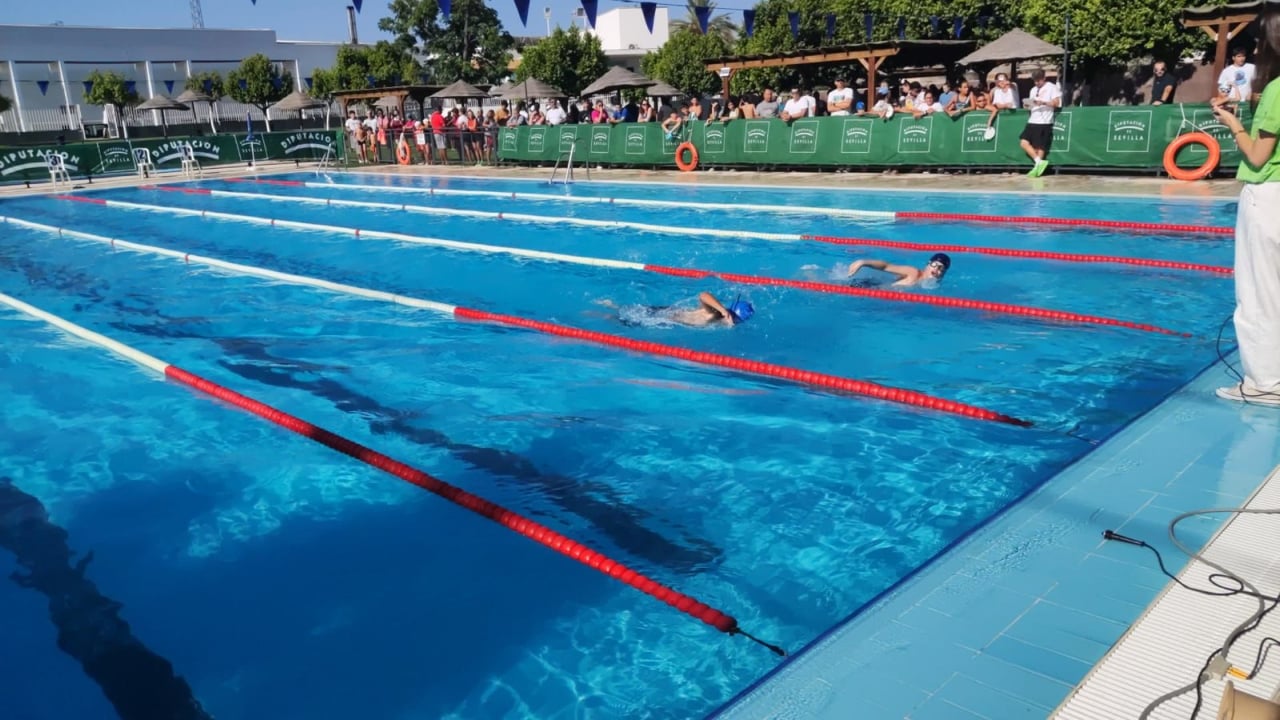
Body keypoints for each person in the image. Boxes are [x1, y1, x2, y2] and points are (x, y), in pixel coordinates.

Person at [1212, 5, 1280, 405]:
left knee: (1258, 294)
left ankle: (1266, 383)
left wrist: (1232, 123)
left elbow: (1257, 155)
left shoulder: (1276, 89)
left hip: (1268, 195)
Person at [599, 292, 755, 328]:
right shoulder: (712, 314)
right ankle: (599, 312)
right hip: (659, 316)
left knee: (627, 313)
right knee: (622, 320)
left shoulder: (715, 320)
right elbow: (703, 295)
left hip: (666, 314)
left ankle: (610, 305)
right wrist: (722, 309)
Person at [1021, 69, 1061, 177]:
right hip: (1033, 119)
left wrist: (1043, 102)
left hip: (1044, 121)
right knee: (1024, 142)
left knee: (1040, 146)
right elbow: (1030, 105)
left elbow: (1056, 103)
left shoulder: (1051, 87)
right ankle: (1039, 162)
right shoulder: (1033, 90)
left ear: (1044, 78)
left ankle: (1037, 168)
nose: (1036, 83)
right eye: (1034, 81)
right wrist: (1027, 105)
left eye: (1038, 80)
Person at [847, 253, 951, 287]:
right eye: (935, 265)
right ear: (928, 265)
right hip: (866, 287)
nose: (936, 269)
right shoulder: (914, 273)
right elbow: (887, 266)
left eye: (941, 268)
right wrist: (863, 263)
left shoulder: (931, 286)